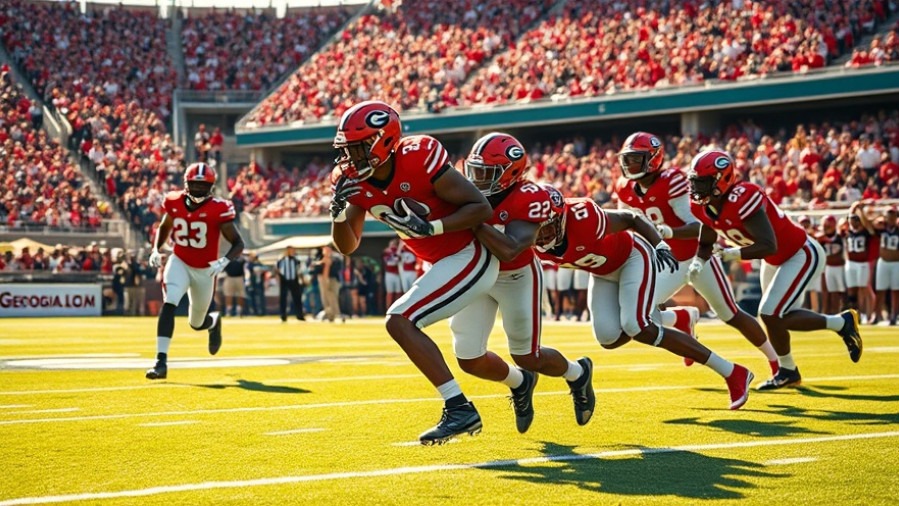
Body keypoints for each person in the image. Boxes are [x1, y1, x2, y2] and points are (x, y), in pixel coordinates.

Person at [328, 100, 499, 444]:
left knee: (399, 319)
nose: (351, 157)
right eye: (347, 149)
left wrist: (432, 227)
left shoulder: (419, 156)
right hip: (440, 261)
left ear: (384, 141)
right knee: (468, 352)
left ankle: (459, 408)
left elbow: (481, 207)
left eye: (358, 148)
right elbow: (347, 246)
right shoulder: (350, 180)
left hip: (467, 252)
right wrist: (336, 213)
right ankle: (521, 383)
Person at [535, 185, 754, 410]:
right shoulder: (526, 238)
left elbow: (631, 218)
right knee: (608, 339)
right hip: (601, 272)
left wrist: (660, 245)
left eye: (547, 227)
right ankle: (676, 318)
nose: (541, 235)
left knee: (637, 327)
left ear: (560, 218)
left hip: (632, 257)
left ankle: (732, 372)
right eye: (535, 228)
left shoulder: (584, 216)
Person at [686, 149, 862, 390]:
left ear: (722, 180)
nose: (697, 189)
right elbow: (706, 240)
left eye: (703, 182)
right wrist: (698, 263)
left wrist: (733, 254)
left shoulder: (743, 197)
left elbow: (769, 244)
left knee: (770, 313)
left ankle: (808, 352)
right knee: (773, 316)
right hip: (775, 259)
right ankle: (798, 362)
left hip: (800, 253)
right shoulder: (704, 207)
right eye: (695, 182)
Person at [459, 132, 595, 432]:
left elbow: (510, 247)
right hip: (478, 273)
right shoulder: (465, 191)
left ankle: (577, 373)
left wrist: (471, 218)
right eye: (474, 171)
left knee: (527, 356)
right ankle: (519, 383)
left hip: (515, 275)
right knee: (468, 357)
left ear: (511, 174)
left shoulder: (530, 197)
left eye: (486, 173)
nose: (477, 179)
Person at [615, 132, 780, 377]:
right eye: (627, 160)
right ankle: (681, 318)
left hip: (697, 257)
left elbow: (700, 225)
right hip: (668, 262)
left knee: (730, 314)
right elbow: (627, 225)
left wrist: (665, 231)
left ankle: (776, 360)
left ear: (653, 159)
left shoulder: (673, 181)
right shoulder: (624, 188)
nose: (629, 166)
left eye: (635, 159)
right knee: (637, 315)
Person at [146, 162, 244, 380]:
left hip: (205, 271)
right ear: (186, 184)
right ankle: (160, 361)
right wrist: (156, 249)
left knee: (196, 323)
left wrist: (224, 261)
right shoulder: (173, 201)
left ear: (211, 187)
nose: (198, 189)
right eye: (194, 185)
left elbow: (238, 243)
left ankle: (213, 322)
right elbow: (165, 226)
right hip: (179, 260)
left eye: (203, 185)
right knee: (169, 302)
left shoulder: (219, 208)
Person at [845, 203, 875, 320]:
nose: (852, 222)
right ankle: (854, 313)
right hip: (851, 263)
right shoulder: (848, 231)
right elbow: (849, 216)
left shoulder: (865, 231)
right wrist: (854, 206)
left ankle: (864, 313)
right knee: (852, 289)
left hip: (862, 263)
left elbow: (867, 224)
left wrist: (860, 210)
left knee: (862, 288)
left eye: (855, 220)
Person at [872, 205, 899, 324]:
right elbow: (869, 225)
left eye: (893, 216)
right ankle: (876, 315)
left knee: (895, 291)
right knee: (880, 290)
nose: (891, 219)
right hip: (883, 262)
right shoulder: (881, 228)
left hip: (896, 263)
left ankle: (894, 315)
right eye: (889, 216)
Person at [817, 215, 846, 314]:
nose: (826, 228)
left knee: (842, 292)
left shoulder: (840, 236)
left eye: (828, 226)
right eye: (825, 226)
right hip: (829, 267)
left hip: (841, 267)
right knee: (832, 291)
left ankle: (843, 311)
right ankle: (834, 312)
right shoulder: (820, 238)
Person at [276, 246, 305, 322]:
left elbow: (299, 271)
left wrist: (302, 280)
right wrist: (279, 279)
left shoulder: (296, 260)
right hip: (284, 280)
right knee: (283, 298)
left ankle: (300, 315)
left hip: (294, 280)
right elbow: (277, 270)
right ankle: (283, 315)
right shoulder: (281, 260)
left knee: (297, 298)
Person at [244, 252, 267, 316]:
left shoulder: (259, 264)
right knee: (251, 298)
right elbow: (248, 272)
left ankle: (262, 312)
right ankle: (254, 311)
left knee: (260, 298)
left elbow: (265, 269)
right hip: (251, 283)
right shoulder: (248, 265)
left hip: (259, 283)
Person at [382, 239, 402, 307]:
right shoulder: (386, 252)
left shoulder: (398, 252)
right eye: (391, 245)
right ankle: (388, 309)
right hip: (389, 274)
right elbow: (390, 262)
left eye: (394, 245)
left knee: (398, 292)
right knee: (389, 293)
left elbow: (398, 260)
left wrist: (398, 251)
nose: (392, 246)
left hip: (397, 274)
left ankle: (398, 309)